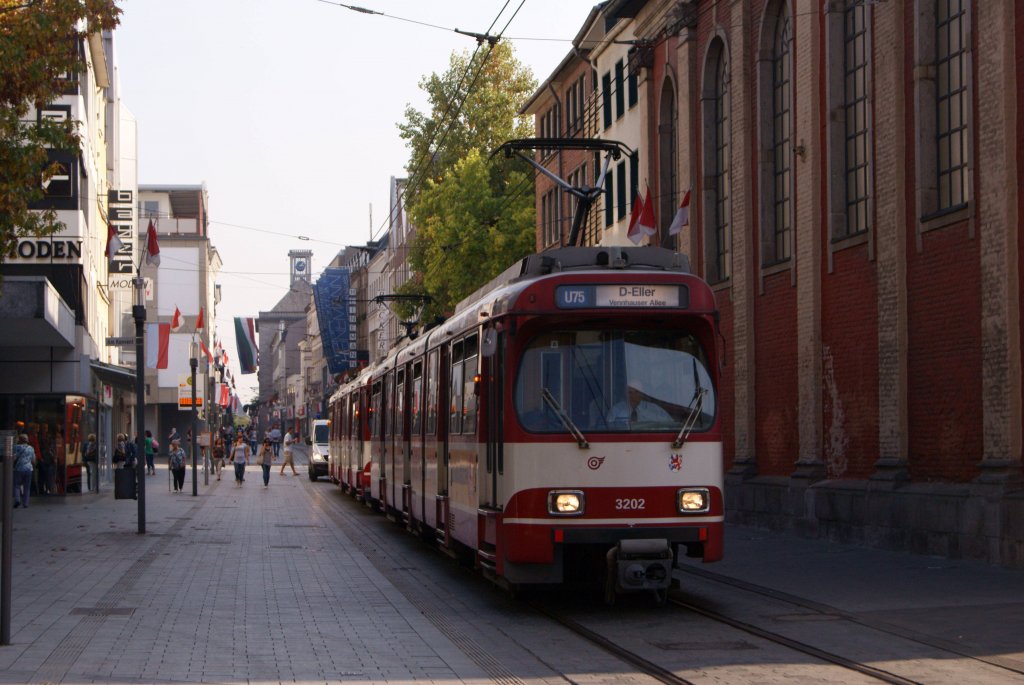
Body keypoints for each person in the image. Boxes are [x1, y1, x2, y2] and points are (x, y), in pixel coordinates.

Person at [606, 382, 672, 428]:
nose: (633, 395)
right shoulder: (616, 410)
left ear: (642, 393)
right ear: (625, 393)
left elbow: (670, 424)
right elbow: (608, 428)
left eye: (637, 392)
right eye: (630, 392)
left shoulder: (655, 409)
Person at [12, 433, 36, 508]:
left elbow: (13, 458)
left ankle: (17, 500)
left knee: (16, 485)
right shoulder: (31, 448)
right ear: (27, 440)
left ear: (20, 440)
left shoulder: (16, 447)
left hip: (18, 469)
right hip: (29, 469)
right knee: (27, 487)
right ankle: (25, 503)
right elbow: (33, 461)